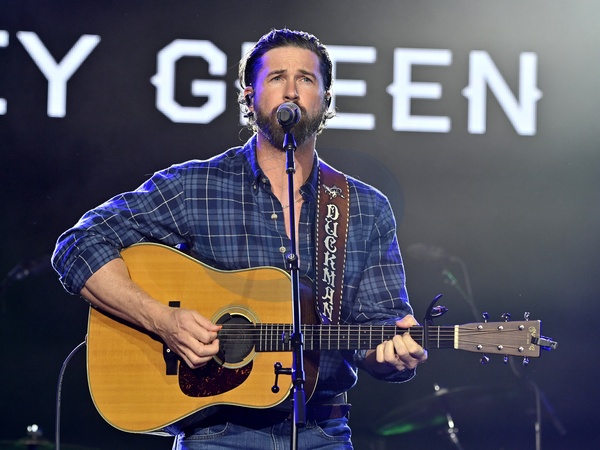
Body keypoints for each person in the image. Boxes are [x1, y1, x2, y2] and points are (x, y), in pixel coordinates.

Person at [52, 28, 427, 450]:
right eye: (276, 78)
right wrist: (161, 320)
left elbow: (380, 330)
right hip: (215, 431)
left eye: (305, 79)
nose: (291, 91)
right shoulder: (196, 185)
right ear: (249, 97)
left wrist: (393, 356)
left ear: (326, 99)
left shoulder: (365, 207)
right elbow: (78, 246)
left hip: (323, 430)